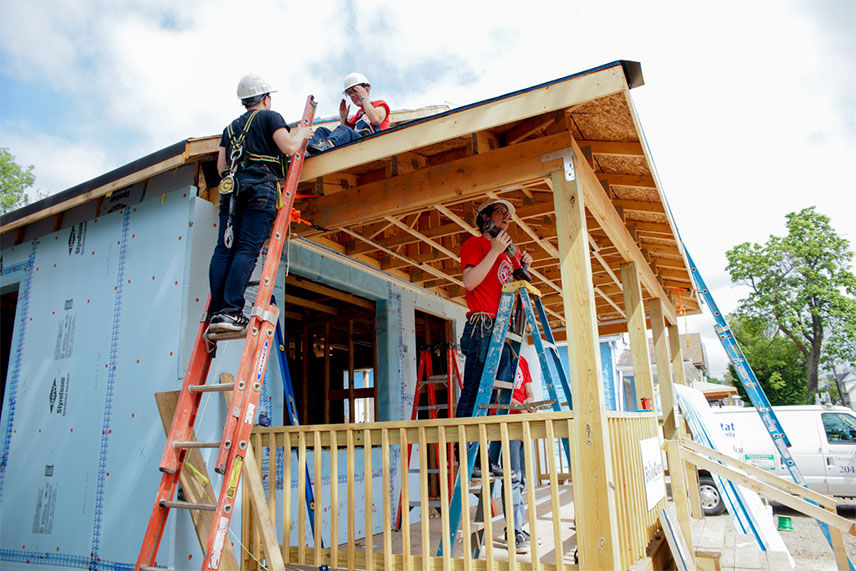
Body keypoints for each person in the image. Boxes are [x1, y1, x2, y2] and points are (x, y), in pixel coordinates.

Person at [207, 73, 312, 333]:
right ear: (266, 98)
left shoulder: (229, 129)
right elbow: (288, 147)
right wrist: (302, 134)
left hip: (231, 192)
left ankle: (219, 311)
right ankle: (232, 311)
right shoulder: (270, 117)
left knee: (224, 249)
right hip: (259, 188)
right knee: (246, 249)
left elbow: (221, 167)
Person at [456, 198, 533, 478]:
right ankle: (466, 454)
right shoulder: (474, 244)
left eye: (509, 217)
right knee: (476, 391)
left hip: (505, 329)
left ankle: (485, 458)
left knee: (498, 398)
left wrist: (525, 267)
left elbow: (521, 285)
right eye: (502, 213)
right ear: (486, 218)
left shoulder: (507, 255)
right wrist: (495, 250)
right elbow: (469, 281)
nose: (507, 219)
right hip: (483, 326)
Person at [306, 72, 390, 154]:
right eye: (349, 93)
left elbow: (376, 119)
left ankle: (327, 145)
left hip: (374, 146)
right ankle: (307, 151)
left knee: (344, 130)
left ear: (366, 89)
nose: (352, 95)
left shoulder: (379, 104)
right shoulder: (358, 116)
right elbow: (343, 136)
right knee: (321, 131)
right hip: (357, 146)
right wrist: (343, 117)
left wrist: (364, 98)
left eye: (355, 90)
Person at [501, 355, 536, 554]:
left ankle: (519, 527)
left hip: (523, 423)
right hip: (508, 424)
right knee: (513, 478)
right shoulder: (497, 357)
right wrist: (519, 406)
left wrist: (528, 403)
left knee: (521, 479)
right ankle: (513, 532)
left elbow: (529, 392)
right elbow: (499, 395)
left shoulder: (522, 360)